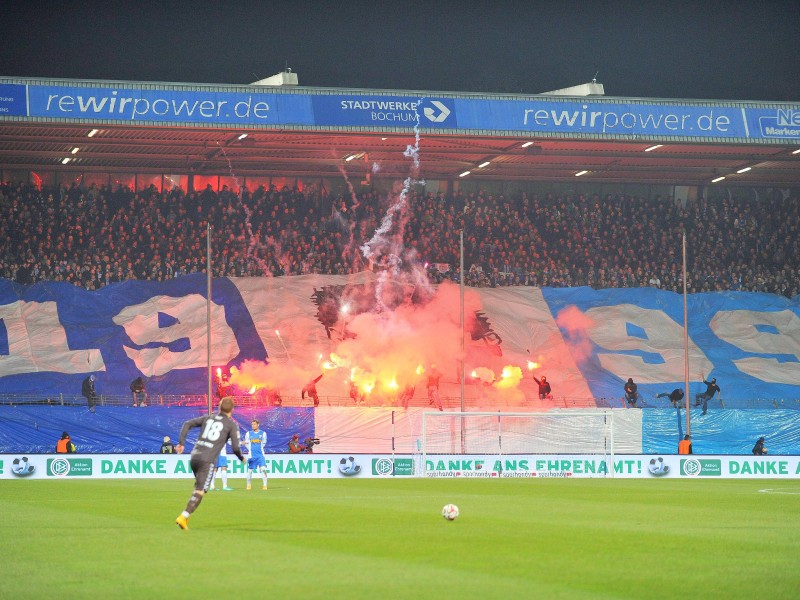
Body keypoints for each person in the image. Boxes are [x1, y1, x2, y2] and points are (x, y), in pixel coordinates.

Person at [174, 397, 245, 530]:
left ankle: (186, 516)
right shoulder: (231, 424)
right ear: (232, 410)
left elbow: (187, 424)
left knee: (198, 487)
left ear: (219, 407)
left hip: (194, 457)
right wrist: (241, 458)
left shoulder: (208, 418)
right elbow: (235, 448)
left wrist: (181, 443)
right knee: (200, 491)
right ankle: (183, 517)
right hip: (207, 460)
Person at [243, 419, 268, 490]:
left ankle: (265, 485)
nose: (253, 426)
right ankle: (248, 485)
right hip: (251, 455)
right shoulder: (248, 433)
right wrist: (250, 450)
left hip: (260, 455)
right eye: (252, 424)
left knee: (263, 469)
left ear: (258, 424)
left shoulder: (263, 433)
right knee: (250, 470)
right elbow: (246, 443)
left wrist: (259, 449)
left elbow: (263, 443)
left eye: (254, 424)